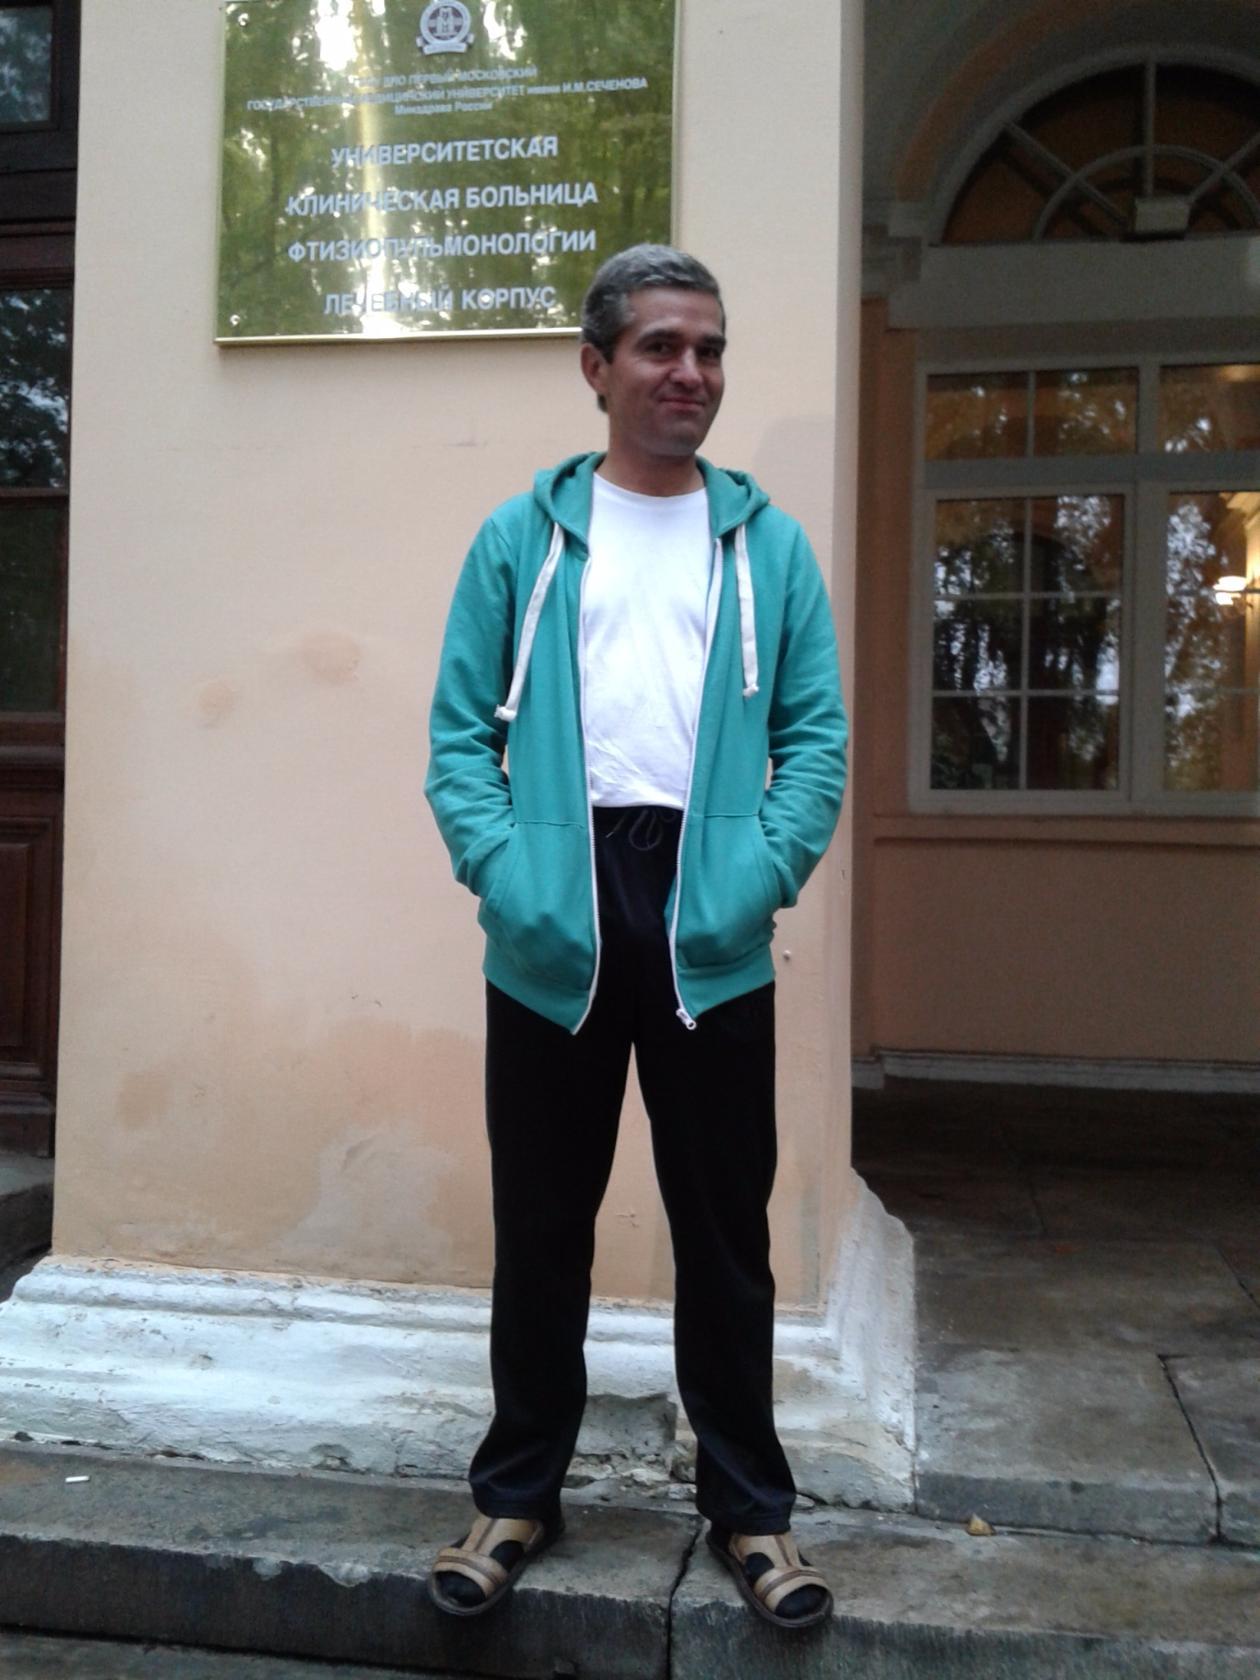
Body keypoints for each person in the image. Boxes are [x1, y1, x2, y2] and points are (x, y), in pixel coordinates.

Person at [424, 244, 848, 1630]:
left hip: (710, 916)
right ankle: (515, 1496)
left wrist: (756, 875)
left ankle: (751, 1511)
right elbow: (457, 740)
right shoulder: (520, 540)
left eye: (710, 349)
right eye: (663, 346)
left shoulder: (769, 546)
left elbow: (814, 738)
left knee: (725, 1232)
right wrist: (512, 880)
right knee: (542, 1225)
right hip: (556, 913)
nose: (691, 373)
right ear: (597, 367)